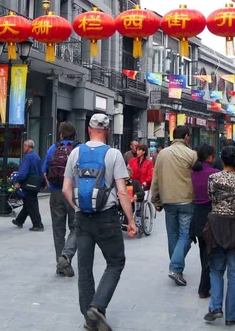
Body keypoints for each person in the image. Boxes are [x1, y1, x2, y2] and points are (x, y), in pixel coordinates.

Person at [63, 113, 137, 331]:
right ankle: (97, 307)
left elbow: (66, 188)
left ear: (88, 129)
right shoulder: (114, 154)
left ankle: (89, 320)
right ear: (107, 130)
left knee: (84, 270)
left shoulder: (75, 152)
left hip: (82, 218)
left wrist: (77, 207)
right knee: (115, 262)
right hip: (107, 217)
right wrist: (131, 221)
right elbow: (122, 192)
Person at [203, 146, 235, 326]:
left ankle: (215, 307)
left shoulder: (212, 179)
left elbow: (211, 197)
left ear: (222, 161)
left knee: (216, 269)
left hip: (216, 225)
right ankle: (231, 316)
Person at [151, 125, 197, 286]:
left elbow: (155, 178)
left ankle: (176, 268)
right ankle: (176, 267)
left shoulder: (162, 154)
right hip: (187, 200)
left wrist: (155, 200)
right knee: (186, 235)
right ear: (186, 137)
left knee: (173, 235)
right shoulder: (192, 154)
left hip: (168, 199)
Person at [42, 121, 79, 277]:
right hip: (73, 193)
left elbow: (44, 171)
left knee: (58, 231)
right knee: (76, 227)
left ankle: (60, 264)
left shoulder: (53, 148)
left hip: (56, 193)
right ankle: (66, 257)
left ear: (61, 134)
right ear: (75, 134)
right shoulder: (78, 149)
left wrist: (51, 185)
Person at [190, 144, 219, 300]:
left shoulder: (193, 173)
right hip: (210, 216)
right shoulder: (215, 174)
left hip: (197, 216)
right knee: (211, 253)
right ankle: (204, 288)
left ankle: (205, 286)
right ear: (210, 157)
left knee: (203, 252)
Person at [12, 139, 44, 231]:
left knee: (31, 204)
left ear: (27, 146)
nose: (23, 148)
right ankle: (19, 220)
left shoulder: (27, 157)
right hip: (35, 183)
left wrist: (17, 181)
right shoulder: (37, 156)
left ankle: (38, 224)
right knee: (28, 203)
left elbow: (23, 172)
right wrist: (43, 183)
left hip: (28, 183)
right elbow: (40, 170)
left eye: (24, 146)